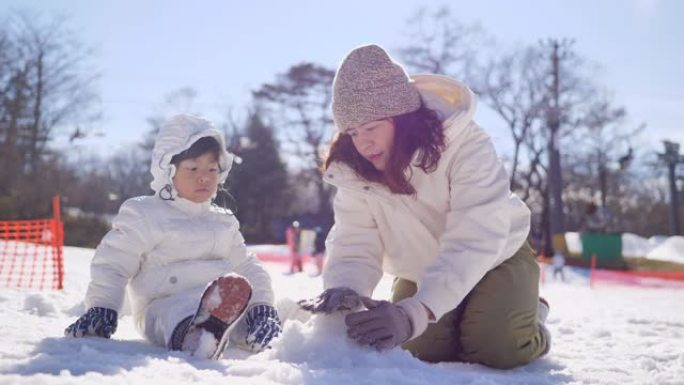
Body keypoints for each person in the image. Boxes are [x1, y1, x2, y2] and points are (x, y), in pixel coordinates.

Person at [298, 44, 550, 369]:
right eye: (353, 132)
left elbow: (476, 238)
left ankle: (532, 315)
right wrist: (345, 289)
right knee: (418, 351)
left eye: (372, 127)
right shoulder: (355, 171)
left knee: (496, 347)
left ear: (402, 118)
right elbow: (355, 240)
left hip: (496, 256)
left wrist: (415, 312)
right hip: (421, 269)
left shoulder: (465, 144)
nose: (363, 143)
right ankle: (467, 313)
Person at [64, 114, 281, 360]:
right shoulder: (144, 213)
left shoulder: (223, 221)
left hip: (220, 297)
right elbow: (114, 262)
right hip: (164, 303)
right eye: (193, 168)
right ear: (168, 169)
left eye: (212, 169)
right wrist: (102, 306)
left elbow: (247, 265)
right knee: (178, 312)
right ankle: (196, 337)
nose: (205, 177)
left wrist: (261, 306)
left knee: (245, 316)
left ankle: (258, 330)